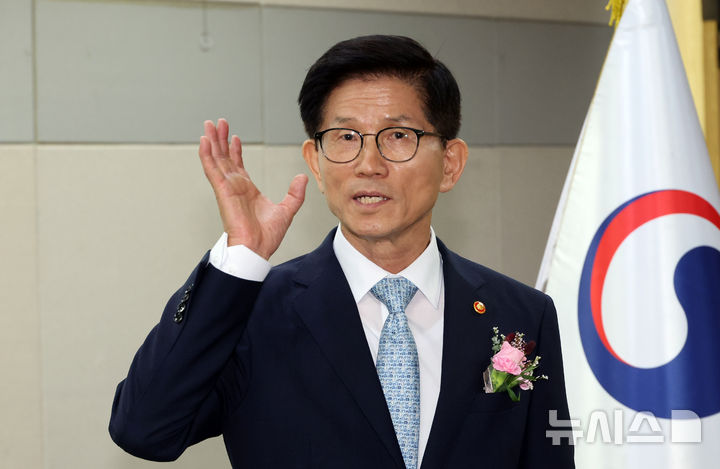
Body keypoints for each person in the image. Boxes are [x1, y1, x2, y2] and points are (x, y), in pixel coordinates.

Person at [109, 35, 574, 468]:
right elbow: (145, 430)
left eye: (398, 135)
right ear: (315, 162)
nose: (368, 165)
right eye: (346, 138)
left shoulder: (520, 316)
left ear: (450, 163)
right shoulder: (252, 314)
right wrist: (242, 258)